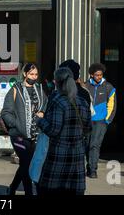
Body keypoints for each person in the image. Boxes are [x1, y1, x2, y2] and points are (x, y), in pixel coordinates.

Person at [36, 67, 92, 195]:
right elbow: (88, 128)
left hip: (58, 158)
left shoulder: (58, 102)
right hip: (77, 159)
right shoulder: (83, 102)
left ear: (57, 82)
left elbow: (53, 130)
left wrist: (40, 121)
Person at [1, 63, 48, 195]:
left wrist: (43, 112)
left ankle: (12, 188)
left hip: (35, 134)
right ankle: (28, 192)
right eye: (31, 74)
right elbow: (6, 112)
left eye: (36, 74)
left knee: (26, 164)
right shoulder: (16, 89)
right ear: (25, 74)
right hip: (18, 135)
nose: (34, 77)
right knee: (27, 163)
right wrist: (16, 124)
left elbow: (46, 104)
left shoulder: (39, 89)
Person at [84, 63, 116, 179]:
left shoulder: (108, 87)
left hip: (101, 121)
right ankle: (88, 167)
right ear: (91, 75)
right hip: (87, 121)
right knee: (87, 145)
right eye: (96, 75)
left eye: (100, 75)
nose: (99, 77)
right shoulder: (85, 86)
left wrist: (107, 120)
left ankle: (93, 169)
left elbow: (112, 105)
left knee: (95, 145)